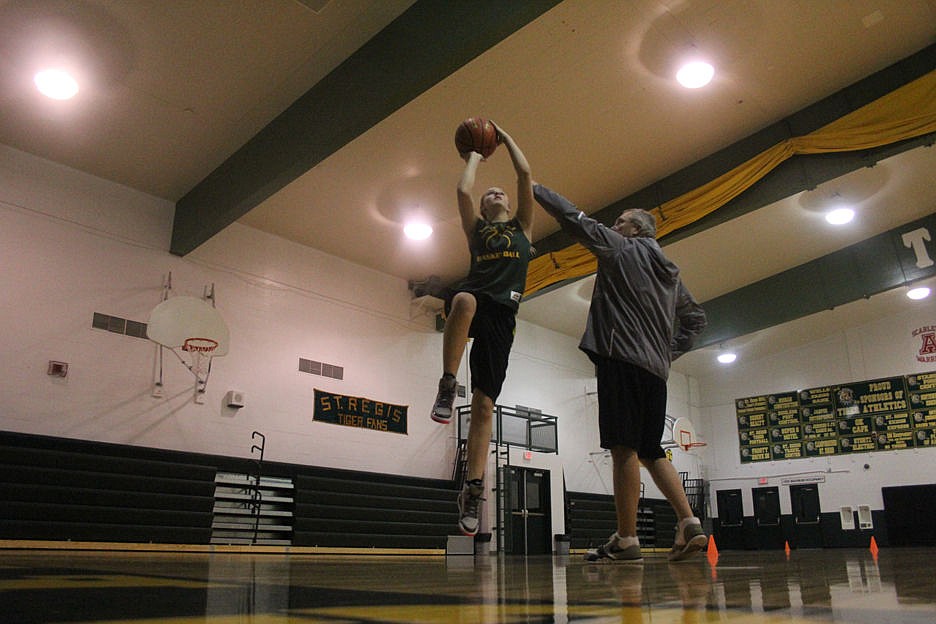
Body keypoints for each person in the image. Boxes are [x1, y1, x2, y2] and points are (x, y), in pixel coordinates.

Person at [533, 183, 708, 562]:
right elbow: (696, 319)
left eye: (621, 221)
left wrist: (532, 186)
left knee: (623, 448)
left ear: (636, 230)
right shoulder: (670, 275)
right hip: (656, 373)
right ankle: (689, 522)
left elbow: (573, 218)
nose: (615, 225)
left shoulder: (622, 248)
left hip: (622, 361)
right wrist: (667, 351)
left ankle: (627, 539)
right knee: (651, 449)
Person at [431, 122, 533, 537]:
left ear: (508, 204)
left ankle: (472, 489)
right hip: (475, 302)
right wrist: (475, 153)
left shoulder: (522, 228)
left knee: (485, 406)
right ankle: (446, 382)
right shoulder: (477, 230)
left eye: (500, 192)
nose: (495, 192)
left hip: (503, 317)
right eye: (490, 192)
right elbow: (462, 191)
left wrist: (505, 138)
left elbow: (525, 176)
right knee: (463, 299)